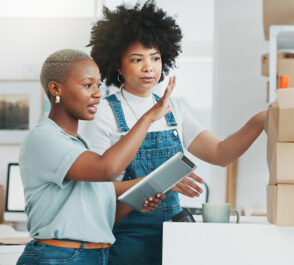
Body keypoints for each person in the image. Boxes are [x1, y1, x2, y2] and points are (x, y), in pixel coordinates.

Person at [79, 1, 266, 264]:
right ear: (117, 66)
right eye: (137, 59)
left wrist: (259, 121)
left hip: (176, 237)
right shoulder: (103, 114)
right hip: (128, 240)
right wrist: (158, 181)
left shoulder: (174, 109)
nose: (149, 67)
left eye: (155, 58)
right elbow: (93, 190)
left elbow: (221, 153)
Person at [16, 48, 178, 265]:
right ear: (56, 88)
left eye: (98, 85)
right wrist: (148, 117)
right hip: (58, 258)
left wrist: (141, 195)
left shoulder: (82, 147)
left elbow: (102, 214)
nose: (97, 93)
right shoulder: (43, 138)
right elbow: (107, 169)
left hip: (94, 256)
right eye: (87, 85)